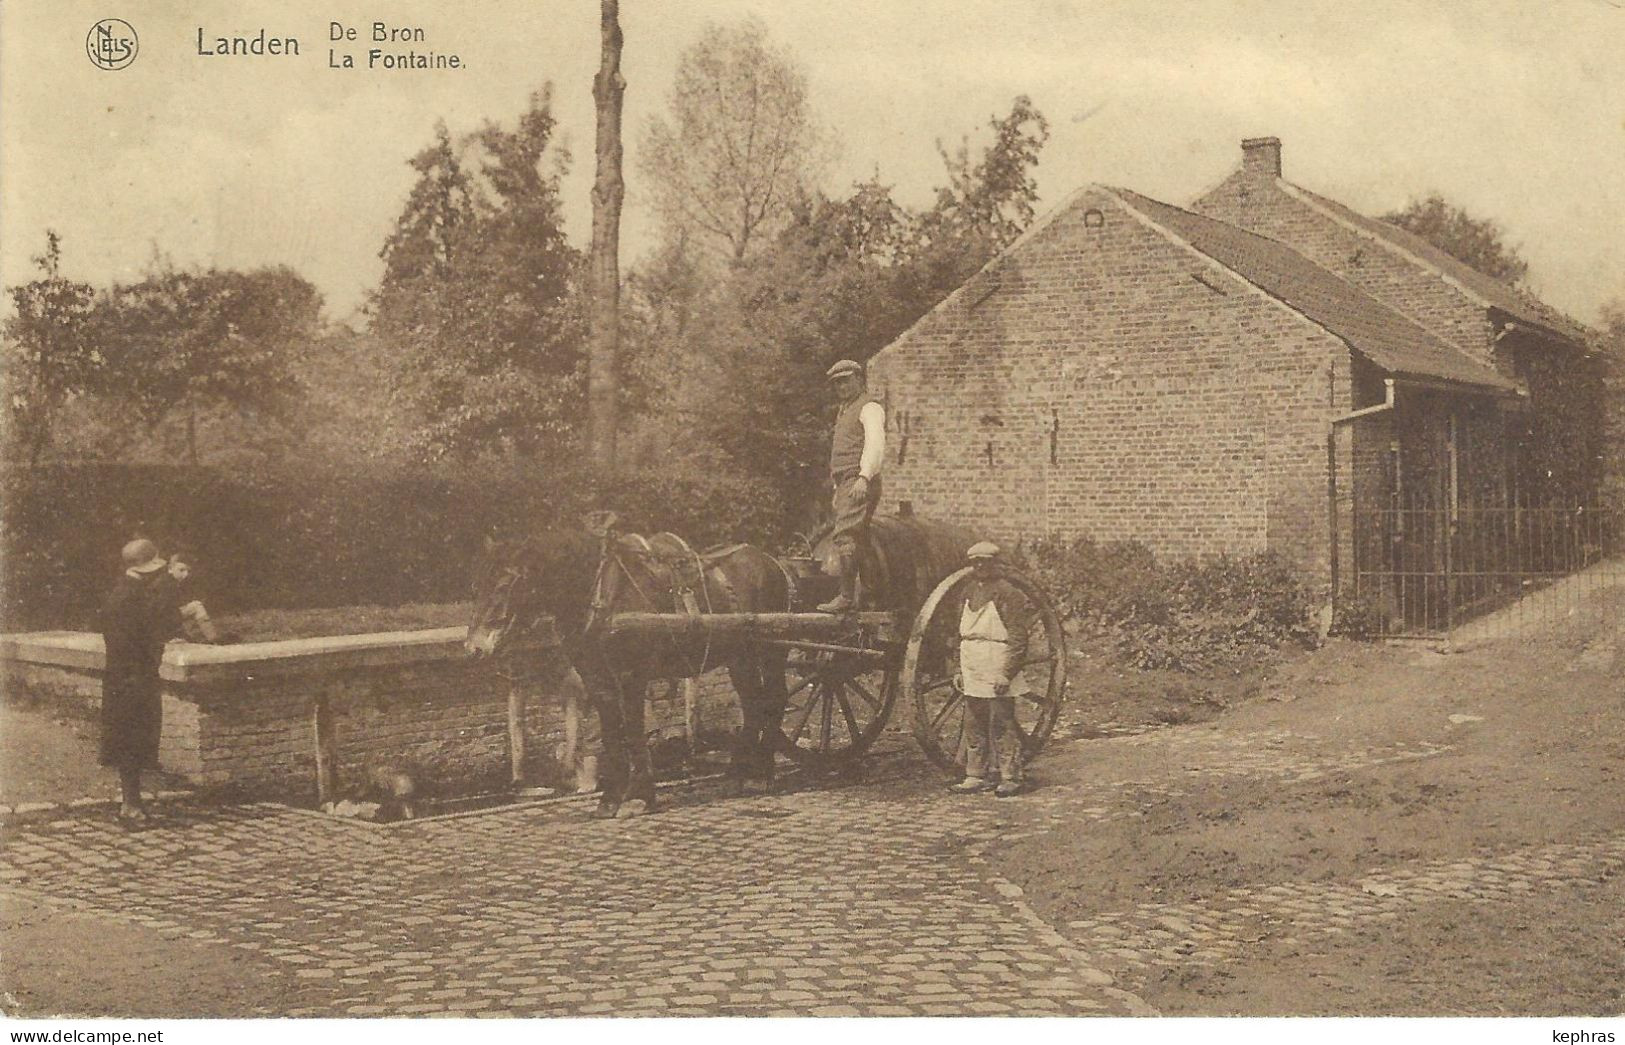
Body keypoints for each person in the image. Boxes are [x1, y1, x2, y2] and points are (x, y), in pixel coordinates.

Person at [98, 538, 210, 822]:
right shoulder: (131, 598)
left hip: (123, 676)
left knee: (131, 740)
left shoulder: (122, 592)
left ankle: (132, 801)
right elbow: (147, 633)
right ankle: (131, 804)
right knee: (131, 740)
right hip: (132, 678)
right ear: (145, 568)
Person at [949, 541, 1031, 797]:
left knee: (1002, 721)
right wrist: (958, 669)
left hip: (997, 657)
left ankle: (1010, 776)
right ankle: (976, 774)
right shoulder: (967, 591)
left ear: (996, 564)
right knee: (973, 721)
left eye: (986, 561)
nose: (981, 566)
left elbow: (1018, 636)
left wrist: (1006, 672)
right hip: (971, 659)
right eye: (976, 562)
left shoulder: (1008, 593)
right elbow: (956, 634)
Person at [819, 358, 885, 613]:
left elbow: (875, 445)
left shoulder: (869, 408)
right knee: (860, 537)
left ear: (859, 378)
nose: (841, 387)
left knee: (845, 534)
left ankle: (846, 597)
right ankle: (870, 590)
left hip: (858, 479)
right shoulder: (845, 409)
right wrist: (839, 489)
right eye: (837, 383)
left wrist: (864, 477)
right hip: (847, 481)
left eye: (846, 380)